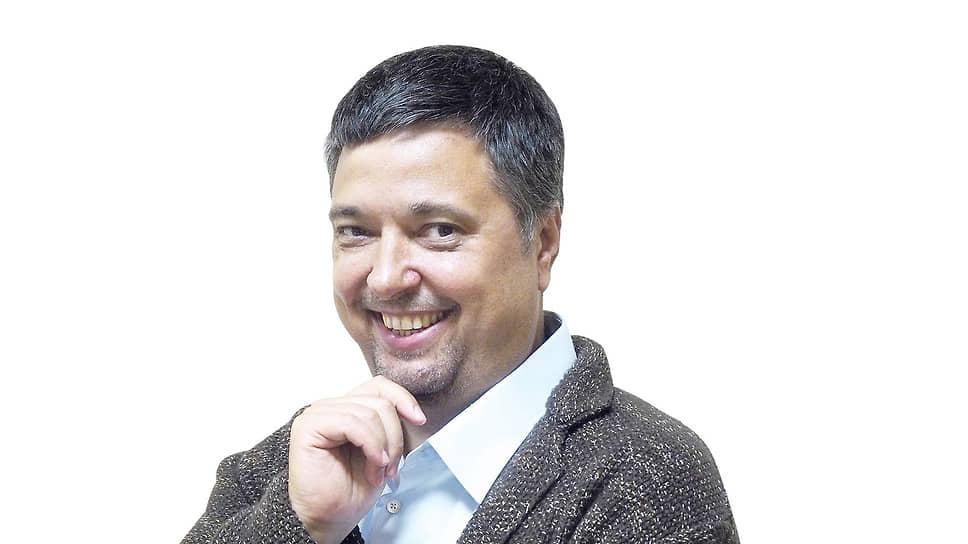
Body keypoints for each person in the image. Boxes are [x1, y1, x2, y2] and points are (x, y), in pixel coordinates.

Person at [182, 45, 739, 544]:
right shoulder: (280, 474)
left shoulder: (648, 480)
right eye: (356, 232)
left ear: (543, 243)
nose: (385, 278)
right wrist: (299, 524)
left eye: (440, 230)